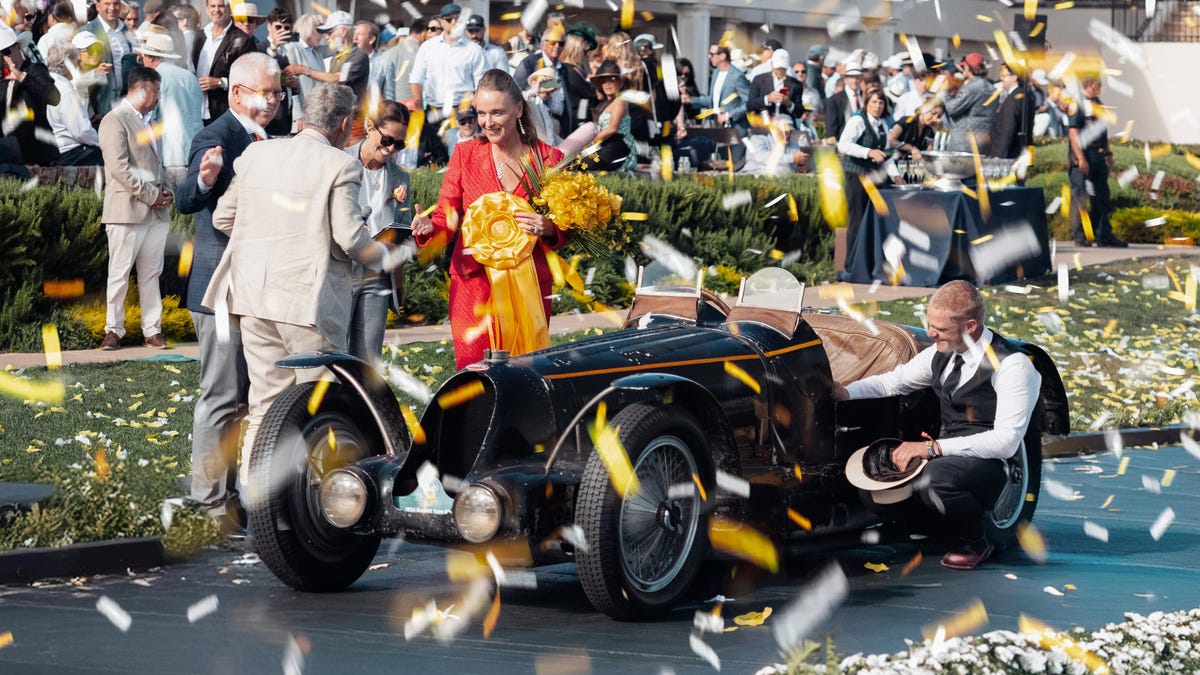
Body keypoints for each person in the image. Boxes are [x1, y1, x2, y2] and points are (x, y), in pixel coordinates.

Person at [201, 82, 394, 492]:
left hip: (254, 297)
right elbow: (348, 237)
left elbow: (222, 219)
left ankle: (261, 505)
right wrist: (385, 254)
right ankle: (322, 504)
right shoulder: (341, 164)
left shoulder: (258, 154)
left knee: (265, 407)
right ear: (345, 124)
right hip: (309, 302)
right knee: (320, 408)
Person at [834, 281, 1042, 570]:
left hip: (990, 464)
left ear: (970, 326)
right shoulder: (940, 353)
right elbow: (893, 382)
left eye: (939, 329)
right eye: (929, 325)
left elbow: (1005, 442)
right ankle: (939, 531)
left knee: (934, 479)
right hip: (943, 455)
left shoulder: (1013, 365)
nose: (930, 334)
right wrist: (846, 392)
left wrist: (929, 449)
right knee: (872, 484)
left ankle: (975, 541)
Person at [175, 51, 281, 537]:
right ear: (237, 93)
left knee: (246, 398)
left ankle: (233, 495)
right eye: (266, 92)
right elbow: (184, 198)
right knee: (220, 395)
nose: (274, 100)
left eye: (279, 92)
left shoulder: (270, 139)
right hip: (219, 288)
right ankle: (208, 503)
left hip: (254, 288)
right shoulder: (216, 136)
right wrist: (205, 177)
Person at [412, 69, 567, 370]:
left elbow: (568, 225)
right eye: (481, 113)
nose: (487, 122)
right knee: (474, 376)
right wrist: (431, 227)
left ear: (519, 109)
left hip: (529, 285)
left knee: (526, 373)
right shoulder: (465, 153)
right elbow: (448, 215)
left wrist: (547, 226)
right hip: (473, 284)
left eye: (497, 112)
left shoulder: (549, 158)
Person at [97, 65, 171, 351]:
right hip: (126, 211)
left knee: (152, 274)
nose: (158, 96)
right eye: (156, 91)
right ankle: (113, 330)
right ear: (141, 88)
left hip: (155, 211)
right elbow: (119, 169)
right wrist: (153, 196)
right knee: (119, 273)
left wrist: (166, 192)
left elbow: (156, 166)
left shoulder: (151, 121)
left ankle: (152, 330)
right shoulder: (114, 120)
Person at [346, 100, 412, 367]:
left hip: (377, 273)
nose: (391, 149)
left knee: (368, 358)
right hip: (342, 268)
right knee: (335, 351)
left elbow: (402, 226)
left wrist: (413, 227)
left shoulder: (400, 177)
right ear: (369, 127)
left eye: (399, 144)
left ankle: (361, 407)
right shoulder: (339, 160)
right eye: (387, 140)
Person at [137, 28, 203, 188]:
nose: (142, 59)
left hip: (170, 155)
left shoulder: (154, 79)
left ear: (151, 57)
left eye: (144, 55)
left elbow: (149, 117)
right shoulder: (190, 76)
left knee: (172, 208)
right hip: (195, 152)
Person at [1068, 77, 1126, 248]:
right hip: (1083, 156)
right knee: (1080, 197)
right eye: (1098, 84)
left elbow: (1102, 132)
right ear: (1091, 84)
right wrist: (1080, 158)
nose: (1100, 87)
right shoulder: (1076, 103)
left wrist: (1108, 154)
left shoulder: (1098, 104)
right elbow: (1074, 134)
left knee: (1101, 197)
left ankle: (1103, 234)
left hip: (1098, 156)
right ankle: (1080, 235)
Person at [838, 88, 891, 264]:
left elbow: (886, 153)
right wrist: (868, 152)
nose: (878, 106)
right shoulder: (858, 121)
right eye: (874, 102)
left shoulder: (883, 124)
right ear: (867, 103)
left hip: (872, 176)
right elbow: (843, 145)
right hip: (854, 174)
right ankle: (851, 264)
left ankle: (871, 262)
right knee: (857, 219)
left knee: (877, 218)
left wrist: (896, 175)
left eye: (881, 103)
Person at [0, 23, 62, 167]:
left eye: (6, 52)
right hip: (11, 152)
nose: (4, 58)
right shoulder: (2, 79)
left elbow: (54, 97)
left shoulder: (34, 70)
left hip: (37, 152)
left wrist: (22, 77)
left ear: (18, 47)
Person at [192, 0, 256, 124]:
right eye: (212, 6)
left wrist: (221, 82)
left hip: (223, 110)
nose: (216, 10)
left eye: (221, 6)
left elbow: (250, 79)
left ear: (229, 9)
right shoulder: (199, 36)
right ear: (207, 9)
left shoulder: (243, 40)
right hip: (197, 109)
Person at [44, 42, 104, 166]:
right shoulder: (65, 90)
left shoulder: (45, 82)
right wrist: (101, 143)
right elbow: (81, 131)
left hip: (52, 150)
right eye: (76, 62)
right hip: (70, 153)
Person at [81, 0, 135, 116]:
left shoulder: (124, 30)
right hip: (100, 107)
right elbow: (76, 75)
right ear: (98, 6)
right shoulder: (87, 32)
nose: (112, 8)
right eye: (107, 3)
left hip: (125, 103)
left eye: (116, 3)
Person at [682, 43, 749, 133]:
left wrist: (729, 115)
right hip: (718, 126)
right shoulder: (716, 73)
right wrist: (691, 100)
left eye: (712, 54)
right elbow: (712, 100)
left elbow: (748, 103)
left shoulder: (737, 76)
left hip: (735, 129)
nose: (709, 56)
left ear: (722, 56)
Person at [943, 52, 995, 154]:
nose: (962, 68)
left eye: (963, 66)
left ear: (969, 67)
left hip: (963, 145)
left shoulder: (972, 88)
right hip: (983, 144)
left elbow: (951, 109)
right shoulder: (990, 87)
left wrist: (946, 91)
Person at [589, 60, 636, 172]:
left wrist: (589, 142)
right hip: (607, 146)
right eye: (604, 81)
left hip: (619, 148)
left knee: (584, 162)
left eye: (612, 80)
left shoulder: (620, 100)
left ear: (620, 83)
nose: (607, 84)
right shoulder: (605, 103)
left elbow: (612, 129)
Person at [992, 64, 1036, 160]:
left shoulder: (1016, 98)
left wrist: (1000, 154)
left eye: (1004, 76)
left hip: (1010, 153)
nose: (1001, 78)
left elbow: (1008, 127)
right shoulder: (1025, 94)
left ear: (1014, 77)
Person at [748, 48, 804, 120]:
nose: (780, 72)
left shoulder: (795, 84)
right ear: (772, 65)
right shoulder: (759, 80)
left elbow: (799, 112)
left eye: (783, 69)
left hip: (786, 124)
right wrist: (767, 99)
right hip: (764, 124)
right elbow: (750, 105)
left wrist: (789, 103)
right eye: (778, 68)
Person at [353, 20, 395, 102]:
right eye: (354, 34)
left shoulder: (385, 64)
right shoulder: (346, 61)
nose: (354, 38)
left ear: (371, 39)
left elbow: (390, 97)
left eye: (359, 34)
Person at [823, 61, 862, 142]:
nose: (854, 81)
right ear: (845, 79)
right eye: (851, 77)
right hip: (843, 145)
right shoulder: (834, 101)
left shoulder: (865, 96)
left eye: (857, 77)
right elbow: (831, 130)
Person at [523, 68, 561, 146]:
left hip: (550, 150)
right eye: (544, 84)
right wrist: (535, 90)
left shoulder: (544, 108)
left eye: (551, 91)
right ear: (534, 83)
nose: (548, 93)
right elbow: (519, 99)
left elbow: (550, 134)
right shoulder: (528, 101)